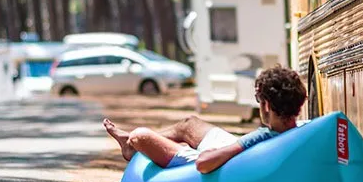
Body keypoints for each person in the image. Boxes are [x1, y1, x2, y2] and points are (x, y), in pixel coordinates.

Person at [104, 65, 307, 174]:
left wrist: (211, 153)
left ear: (267, 106)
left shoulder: (261, 137)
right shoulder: (303, 133)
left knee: (140, 137)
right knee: (189, 124)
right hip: (235, 151)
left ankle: (132, 144)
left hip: (224, 164)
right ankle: (129, 146)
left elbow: (203, 164)